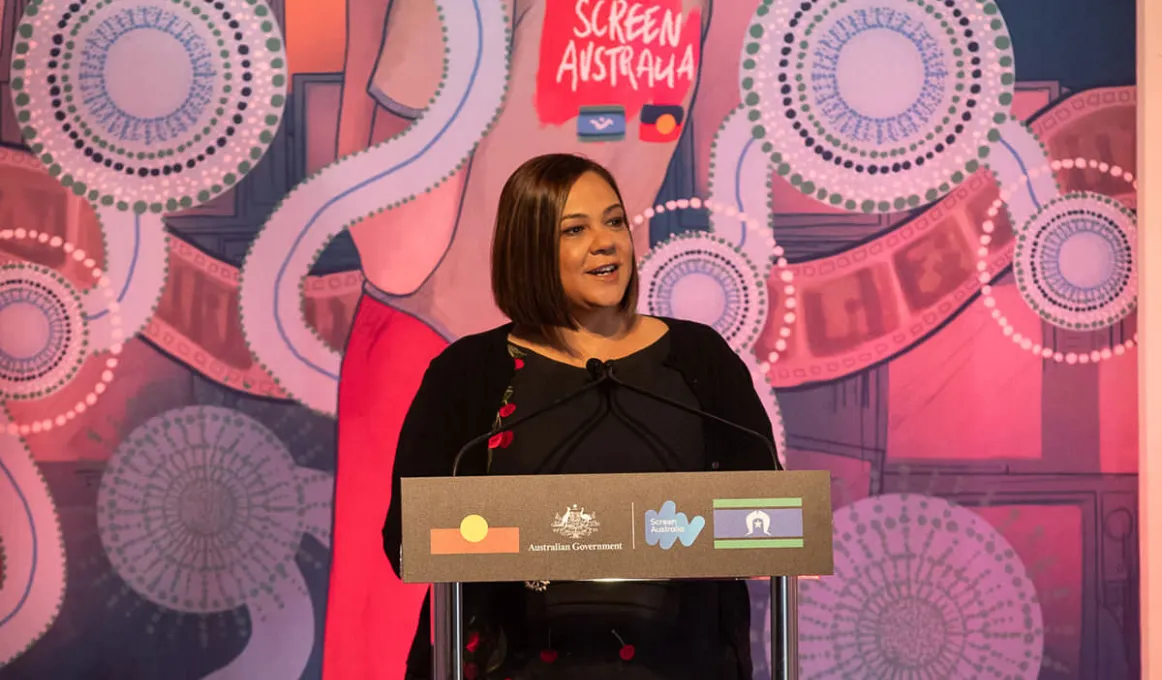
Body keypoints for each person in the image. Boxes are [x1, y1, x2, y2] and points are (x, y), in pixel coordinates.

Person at [381, 153, 778, 679]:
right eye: (575, 229)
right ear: (530, 250)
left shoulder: (699, 358)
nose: (606, 241)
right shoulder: (469, 373)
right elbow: (409, 539)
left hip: (681, 662)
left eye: (614, 221)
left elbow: (770, 517)